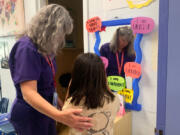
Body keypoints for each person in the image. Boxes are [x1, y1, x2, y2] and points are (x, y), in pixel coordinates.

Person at [8, 4, 92, 135]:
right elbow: (29, 93)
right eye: (61, 34)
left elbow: (47, 85)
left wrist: (60, 104)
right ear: (50, 29)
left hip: (46, 111)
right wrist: (60, 115)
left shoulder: (46, 48)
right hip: (30, 116)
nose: (62, 39)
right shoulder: (27, 49)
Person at [63, 53, 120, 135]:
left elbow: (64, 115)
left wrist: (70, 86)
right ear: (103, 75)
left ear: (76, 76)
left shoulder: (73, 104)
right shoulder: (114, 100)